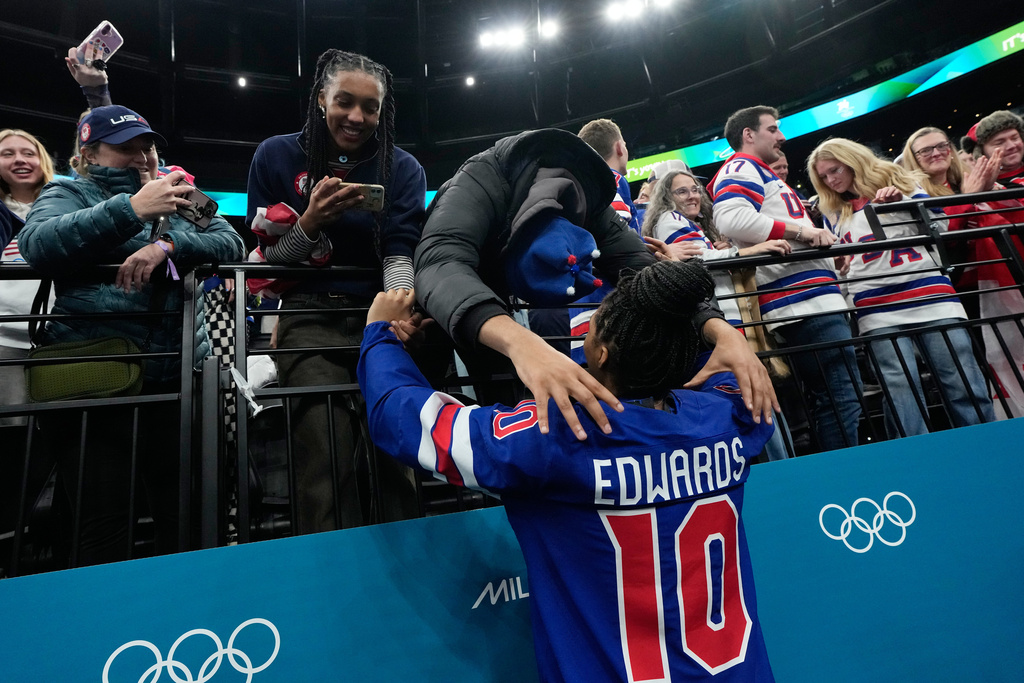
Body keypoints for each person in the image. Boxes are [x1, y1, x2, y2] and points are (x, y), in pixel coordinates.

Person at [360, 262, 776, 682]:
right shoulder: (730, 415)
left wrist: (380, 334)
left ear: (600, 354)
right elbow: (725, 370)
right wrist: (723, 333)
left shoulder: (555, 436)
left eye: (591, 326)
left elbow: (405, 418)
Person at [414, 128, 779, 444]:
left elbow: (649, 270)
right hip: (438, 302)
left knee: (518, 412)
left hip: (491, 298)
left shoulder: (591, 200)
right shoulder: (480, 181)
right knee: (432, 386)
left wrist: (723, 331)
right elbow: (439, 263)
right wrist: (521, 342)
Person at [19, 105, 245, 566]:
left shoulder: (182, 192)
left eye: (148, 145)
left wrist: (169, 244)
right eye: (127, 148)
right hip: (97, 381)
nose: (143, 157)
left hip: (180, 377)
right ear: (89, 152)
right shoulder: (68, 190)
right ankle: (105, 629)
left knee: (184, 515)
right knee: (102, 522)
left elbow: (232, 242)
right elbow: (37, 244)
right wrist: (131, 210)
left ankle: (186, 622)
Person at [245, 49, 426, 533]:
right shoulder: (276, 155)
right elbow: (265, 263)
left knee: (396, 452)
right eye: (345, 101)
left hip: (380, 313)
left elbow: (399, 251)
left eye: (371, 108)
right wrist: (309, 223)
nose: (357, 117)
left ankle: (407, 573)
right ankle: (330, 581)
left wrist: (398, 310)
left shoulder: (402, 167)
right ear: (321, 98)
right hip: (308, 315)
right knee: (322, 457)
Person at [808, 138, 994, 437]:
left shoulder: (903, 182)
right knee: (900, 391)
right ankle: (916, 463)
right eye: (824, 176)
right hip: (875, 310)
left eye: (835, 170)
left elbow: (941, 228)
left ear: (853, 160)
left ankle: (987, 446)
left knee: (960, 382)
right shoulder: (832, 212)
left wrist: (903, 204)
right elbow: (843, 266)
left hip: (931, 297)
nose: (832, 180)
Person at [711, 105, 862, 452]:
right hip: (800, 301)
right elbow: (732, 219)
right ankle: (845, 479)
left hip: (807, 295)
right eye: (773, 129)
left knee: (836, 396)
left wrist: (824, 257)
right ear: (748, 135)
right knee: (842, 396)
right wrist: (803, 233)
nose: (782, 137)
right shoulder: (741, 166)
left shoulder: (759, 171)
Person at [900, 126, 1024, 417]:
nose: (937, 153)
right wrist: (967, 199)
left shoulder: (973, 181)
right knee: (980, 372)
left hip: (999, 284)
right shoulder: (911, 194)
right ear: (913, 159)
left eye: (942, 146)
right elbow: (945, 241)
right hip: (956, 296)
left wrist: (990, 194)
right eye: (926, 150)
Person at [641, 168, 791, 327]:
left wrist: (724, 249)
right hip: (713, 314)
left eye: (695, 190)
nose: (692, 196)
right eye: (682, 192)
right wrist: (752, 250)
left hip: (717, 312)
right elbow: (699, 259)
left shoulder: (685, 221)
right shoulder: (670, 218)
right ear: (667, 198)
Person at [0, 129, 56, 423]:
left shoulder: (65, 206)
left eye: (28, 153)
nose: (19, 159)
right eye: (7, 153)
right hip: (4, 339)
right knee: (11, 430)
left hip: (60, 336)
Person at [578, 118, 640, 233]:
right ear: (619, 147)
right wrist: (657, 251)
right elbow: (617, 232)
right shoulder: (611, 179)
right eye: (625, 145)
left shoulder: (586, 183)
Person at [962, 110, 1024, 185]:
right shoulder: (981, 189)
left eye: (1015, 138)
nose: (1011, 146)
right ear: (981, 152)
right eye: (999, 143)